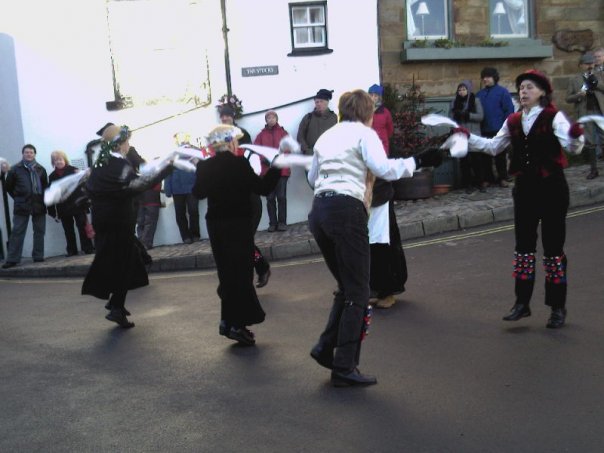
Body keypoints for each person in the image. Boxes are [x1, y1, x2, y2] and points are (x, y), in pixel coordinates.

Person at [307, 89, 442, 387]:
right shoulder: (364, 134)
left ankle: (325, 348)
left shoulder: (326, 137)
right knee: (358, 291)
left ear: (342, 110)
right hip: (347, 211)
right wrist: (417, 162)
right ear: (368, 113)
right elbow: (383, 169)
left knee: (347, 286)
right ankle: (344, 367)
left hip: (319, 211)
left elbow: (312, 178)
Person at [466, 70, 585, 329]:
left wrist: (577, 136)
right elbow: (493, 146)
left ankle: (557, 307)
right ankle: (522, 303)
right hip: (525, 189)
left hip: (552, 188)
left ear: (542, 91)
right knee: (523, 249)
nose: (523, 91)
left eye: (529, 87)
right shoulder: (513, 120)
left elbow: (574, 147)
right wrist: (468, 139)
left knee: (553, 250)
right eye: (521, 88)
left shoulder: (554, 117)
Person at [192, 124, 281, 345]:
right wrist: (277, 167)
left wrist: (201, 171)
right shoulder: (239, 163)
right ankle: (235, 325)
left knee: (226, 274)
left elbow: (198, 193)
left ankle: (227, 321)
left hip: (216, 227)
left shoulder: (205, 166)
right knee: (240, 275)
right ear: (230, 143)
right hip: (238, 225)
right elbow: (262, 188)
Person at [82, 125, 172, 328]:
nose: (128, 145)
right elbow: (139, 185)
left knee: (124, 261)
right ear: (121, 144)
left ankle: (117, 306)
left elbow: (90, 190)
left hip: (104, 221)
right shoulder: (118, 165)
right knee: (123, 263)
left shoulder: (99, 165)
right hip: (118, 221)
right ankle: (116, 307)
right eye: (127, 142)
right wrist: (167, 168)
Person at [220, 104, 271, 287]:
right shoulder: (222, 156)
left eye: (227, 115)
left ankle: (258, 270)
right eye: (222, 116)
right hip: (233, 202)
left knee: (243, 241)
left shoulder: (248, 153)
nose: (224, 118)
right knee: (240, 241)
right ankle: (260, 268)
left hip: (249, 201)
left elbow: (254, 174)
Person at [2, 144, 48, 269]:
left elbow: (45, 187)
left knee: (39, 231)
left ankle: (38, 256)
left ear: (34, 154)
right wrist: (18, 197)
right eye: (26, 152)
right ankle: (12, 259)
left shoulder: (41, 169)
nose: (29, 154)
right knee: (17, 232)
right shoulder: (15, 169)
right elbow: (8, 187)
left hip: (39, 204)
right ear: (23, 154)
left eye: (31, 152)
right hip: (22, 205)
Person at [47, 150, 95, 257]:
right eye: (56, 160)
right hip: (63, 207)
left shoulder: (74, 170)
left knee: (82, 228)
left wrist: (86, 203)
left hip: (77, 205)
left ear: (64, 160)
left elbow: (85, 185)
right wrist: (53, 212)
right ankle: (72, 250)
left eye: (60, 159)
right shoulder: (52, 176)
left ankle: (88, 248)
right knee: (68, 230)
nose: (58, 162)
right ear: (53, 162)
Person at [566, 52, 604, 179]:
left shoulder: (600, 75)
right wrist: (578, 95)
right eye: (587, 64)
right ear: (581, 65)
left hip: (600, 111)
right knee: (591, 142)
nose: (590, 66)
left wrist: (596, 83)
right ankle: (594, 170)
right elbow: (568, 98)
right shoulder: (574, 79)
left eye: (592, 63)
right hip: (585, 112)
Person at [476, 67, 515, 189]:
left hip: (499, 129)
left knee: (500, 156)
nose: (485, 79)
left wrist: (506, 127)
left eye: (488, 77)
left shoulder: (502, 92)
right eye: (484, 77)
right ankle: (488, 178)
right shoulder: (480, 94)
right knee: (485, 156)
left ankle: (502, 178)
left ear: (494, 78)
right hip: (484, 129)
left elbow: (508, 110)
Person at [254, 110, 290, 232]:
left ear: (276, 119)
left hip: (281, 170)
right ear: (266, 120)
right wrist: (263, 160)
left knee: (281, 197)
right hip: (266, 171)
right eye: (268, 118)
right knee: (270, 198)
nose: (271, 119)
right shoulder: (261, 135)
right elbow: (256, 151)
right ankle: (272, 223)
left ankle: (282, 222)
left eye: (273, 117)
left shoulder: (283, 133)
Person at [449, 80, 485, 193]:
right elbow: (450, 119)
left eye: (464, 89)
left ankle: (480, 183)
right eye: (459, 90)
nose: (461, 92)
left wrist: (467, 115)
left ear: (468, 90)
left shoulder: (476, 101)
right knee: (464, 162)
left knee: (477, 161)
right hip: (461, 135)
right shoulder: (454, 102)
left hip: (474, 135)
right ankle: (467, 184)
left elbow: (480, 116)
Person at [164, 165, 200, 244]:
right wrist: (167, 190)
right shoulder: (172, 160)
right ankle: (185, 236)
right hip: (177, 190)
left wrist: (201, 187)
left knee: (193, 211)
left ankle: (195, 235)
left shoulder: (192, 157)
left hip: (192, 188)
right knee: (180, 213)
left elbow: (199, 172)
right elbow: (167, 175)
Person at [297, 88, 338, 156]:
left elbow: (338, 136)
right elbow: (300, 137)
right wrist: (308, 151)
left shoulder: (334, 118)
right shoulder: (308, 117)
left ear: (327, 102)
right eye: (317, 102)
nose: (318, 104)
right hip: (311, 157)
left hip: (329, 156)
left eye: (321, 101)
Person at [368, 84, 394, 155]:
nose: (373, 98)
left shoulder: (385, 112)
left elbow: (390, 129)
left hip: (382, 146)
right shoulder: (365, 111)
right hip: (368, 145)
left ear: (380, 97)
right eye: (371, 95)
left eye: (375, 96)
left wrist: (382, 137)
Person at [136, 181, 162, 250]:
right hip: (151, 200)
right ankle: (145, 244)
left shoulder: (136, 171)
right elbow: (157, 187)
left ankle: (141, 244)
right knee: (149, 223)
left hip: (140, 200)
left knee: (141, 223)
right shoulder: (155, 172)